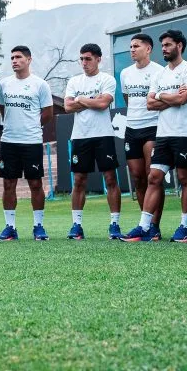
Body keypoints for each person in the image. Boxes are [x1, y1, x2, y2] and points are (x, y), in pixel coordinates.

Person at [122, 30, 187, 243]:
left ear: (179, 46)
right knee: (153, 178)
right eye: (163, 45)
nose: (164, 49)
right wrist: (168, 96)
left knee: (185, 179)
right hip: (163, 134)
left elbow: (183, 100)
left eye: (168, 45)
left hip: (185, 133)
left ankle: (185, 226)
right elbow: (150, 104)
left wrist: (161, 96)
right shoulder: (160, 74)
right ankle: (145, 227)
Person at [0, 46, 54, 242]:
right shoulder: (4, 84)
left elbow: (48, 113)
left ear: (28, 60)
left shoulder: (40, 84)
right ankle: (10, 227)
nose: (14, 61)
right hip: (9, 141)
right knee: (8, 184)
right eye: (12, 57)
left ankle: (38, 226)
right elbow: (2, 109)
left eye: (18, 57)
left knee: (35, 183)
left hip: (32, 141)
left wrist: (32, 126)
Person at [64, 43, 121, 240]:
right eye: (81, 59)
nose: (84, 62)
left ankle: (114, 224)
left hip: (103, 135)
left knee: (110, 179)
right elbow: (68, 107)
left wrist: (80, 100)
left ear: (98, 59)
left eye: (88, 59)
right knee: (79, 180)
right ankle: (77, 225)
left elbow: (103, 103)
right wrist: (91, 101)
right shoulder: (74, 81)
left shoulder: (107, 79)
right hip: (80, 136)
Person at [120, 34, 166, 235]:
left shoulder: (160, 71)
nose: (132, 49)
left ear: (148, 49)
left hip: (153, 127)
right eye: (130, 46)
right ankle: (144, 224)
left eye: (136, 46)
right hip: (132, 128)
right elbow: (127, 99)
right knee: (138, 177)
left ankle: (154, 225)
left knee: (152, 175)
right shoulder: (125, 73)